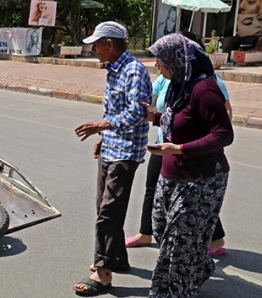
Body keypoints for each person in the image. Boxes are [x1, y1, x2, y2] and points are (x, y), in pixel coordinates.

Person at [126, 31, 232, 257]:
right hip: (173, 167)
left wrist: (179, 149)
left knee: (183, 239)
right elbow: (177, 117)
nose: (156, 64)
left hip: (200, 176)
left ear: (176, 59)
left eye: (161, 59)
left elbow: (224, 133)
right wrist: (153, 118)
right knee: (164, 228)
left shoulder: (204, 88)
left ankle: (184, 279)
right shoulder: (177, 84)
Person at [72, 21, 152, 296]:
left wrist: (101, 127)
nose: (92, 49)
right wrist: (103, 138)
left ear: (109, 45)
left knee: (108, 211)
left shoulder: (133, 71)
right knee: (104, 207)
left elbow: (137, 113)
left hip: (127, 151)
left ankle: (103, 272)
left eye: (96, 44)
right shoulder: (113, 69)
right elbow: (115, 111)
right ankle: (117, 257)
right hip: (111, 146)